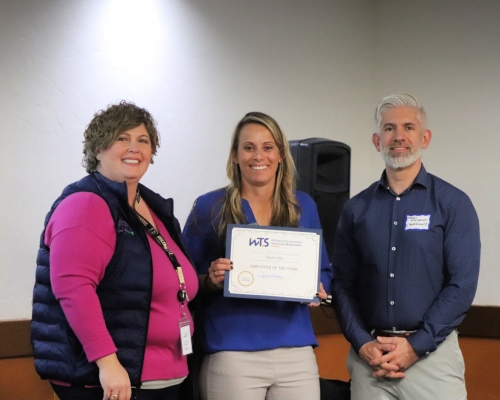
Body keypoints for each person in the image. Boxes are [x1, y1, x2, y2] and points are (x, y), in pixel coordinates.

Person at [31, 101, 198, 400]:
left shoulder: (152, 208)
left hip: (165, 375)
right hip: (112, 382)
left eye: (143, 140)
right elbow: (73, 287)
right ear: (97, 149)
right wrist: (108, 363)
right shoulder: (87, 204)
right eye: (122, 138)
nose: (134, 147)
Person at [331, 93, 481, 399]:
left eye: (408, 128)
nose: (398, 136)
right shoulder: (356, 209)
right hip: (369, 361)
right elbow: (342, 285)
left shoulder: (453, 204)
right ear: (376, 140)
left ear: (424, 137)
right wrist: (362, 343)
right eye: (389, 128)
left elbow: (461, 285)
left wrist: (415, 346)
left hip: (432, 358)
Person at [182, 111, 333, 400]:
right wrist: (211, 279)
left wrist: (318, 289)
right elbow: (183, 281)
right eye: (248, 147)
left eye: (267, 147)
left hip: (295, 352)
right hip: (232, 353)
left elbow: (324, 270)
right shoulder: (209, 207)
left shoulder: (303, 206)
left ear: (280, 155)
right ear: (235, 155)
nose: (258, 156)